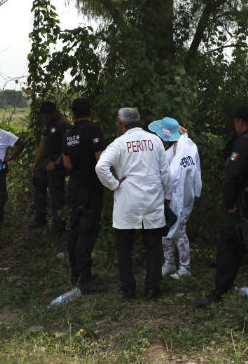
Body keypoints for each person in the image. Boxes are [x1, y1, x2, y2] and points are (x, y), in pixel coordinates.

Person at [195, 105, 248, 307]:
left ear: (240, 122)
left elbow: (231, 176)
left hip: (246, 207)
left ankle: (218, 293)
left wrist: (228, 204)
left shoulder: (243, 143)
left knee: (230, 247)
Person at [95, 107, 172, 301]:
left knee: (124, 247)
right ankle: (152, 289)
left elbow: (100, 166)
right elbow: (165, 174)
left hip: (127, 202)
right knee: (153, 246)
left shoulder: (119, 143)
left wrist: (114, 184)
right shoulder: (155, 140)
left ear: (122, 125)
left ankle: (128, 289)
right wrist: (168, 197)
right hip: (152, 201)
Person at [148, 117, 202, 280]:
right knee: (166, 229)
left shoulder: (177, 150)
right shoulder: (186, 145)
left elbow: (173, 177)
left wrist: (167, 196)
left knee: (179, 230)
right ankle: (169, 262)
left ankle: (185, 268)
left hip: (176, 197)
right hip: (180, 194)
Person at [62, 98, 106, 293]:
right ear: (90, 110)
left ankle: (76, 274)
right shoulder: (93, 129)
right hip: (90, 188)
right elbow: (101, 160)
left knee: (75, 230)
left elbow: (67, 164)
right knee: (87, 233)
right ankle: (84, 281)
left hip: (74, 188)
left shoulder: (69, 133)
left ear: (73, 114)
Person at [30, 101, 71, 233]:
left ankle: (59, 225)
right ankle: (40, 219)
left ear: (54, 112)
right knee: (38, 184)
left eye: (46, 116)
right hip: (46, 160)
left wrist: (57, 163)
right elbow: (43, 142)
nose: (44, 118)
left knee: (56, 194)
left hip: (57, 162)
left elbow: (68, 147)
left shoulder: (63, 123)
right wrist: (36, 162)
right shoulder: (47, 122)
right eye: (43, 116)